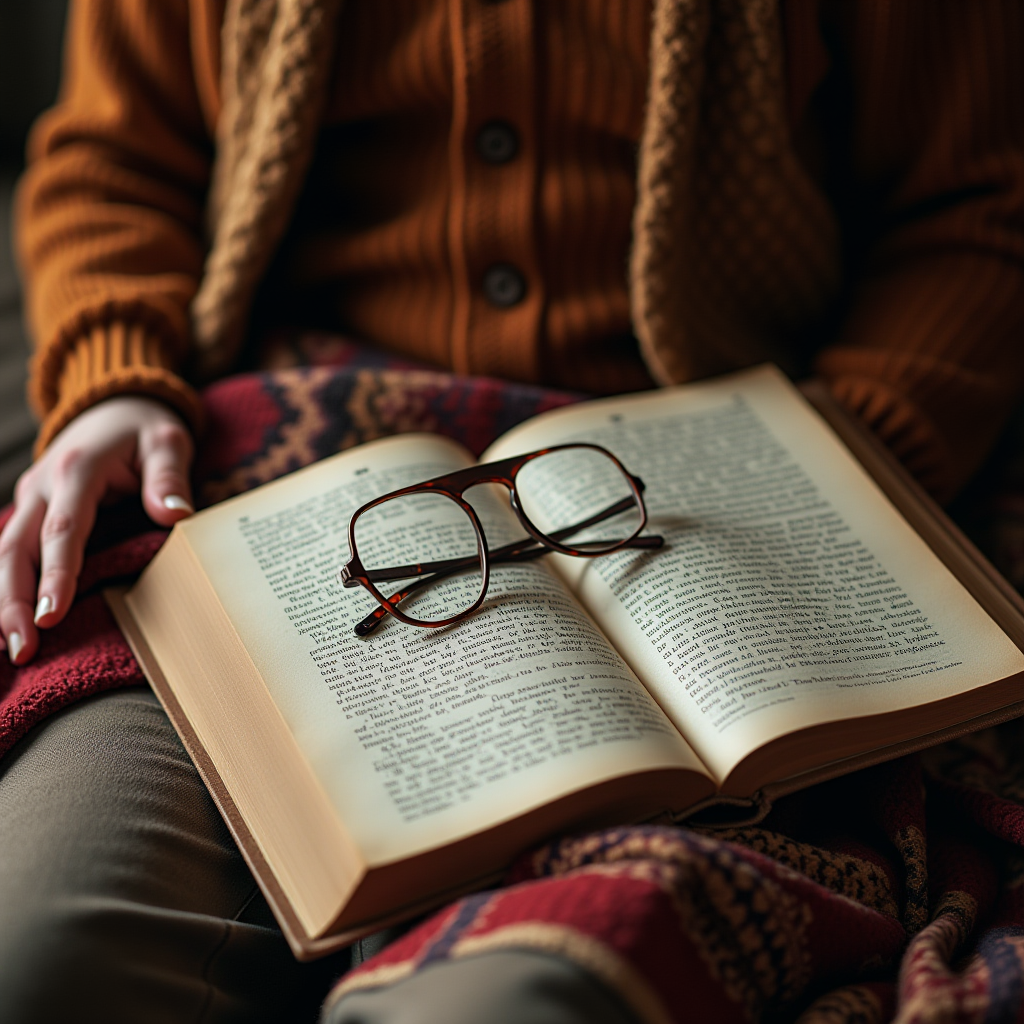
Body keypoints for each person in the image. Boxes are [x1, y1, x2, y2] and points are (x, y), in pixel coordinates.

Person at [1, 1, 1021, 1020]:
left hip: (703, 506)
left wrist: (850, 453)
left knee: (509, 1000)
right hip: (272, 497)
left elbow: (973, 209)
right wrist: (115, 373)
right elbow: (114, 160)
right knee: (50, 951)